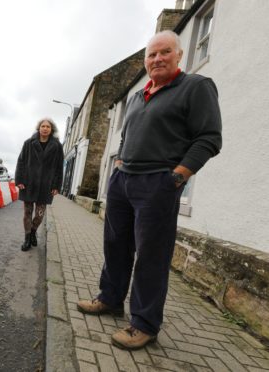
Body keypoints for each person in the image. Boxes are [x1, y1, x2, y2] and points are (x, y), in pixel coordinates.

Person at [76, 30, 222, 350]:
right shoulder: (136, 97)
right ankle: (110, 299)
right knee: (116, 245)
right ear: (145, 61)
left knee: (151, 257)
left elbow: (209, 138)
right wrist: (118, 167)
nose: (157, 59)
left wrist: (177, 177)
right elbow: (127, 137)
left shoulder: (196, 87)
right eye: (152, 54)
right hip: (122, 181)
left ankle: (144, 324)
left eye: (164, 52)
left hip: (158, 183)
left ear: (179, 55)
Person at [15, 118, 64, 251]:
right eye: (43, 126)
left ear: (51, 129)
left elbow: (59, 167)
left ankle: (33, 231)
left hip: (46, 186)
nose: (45, 128)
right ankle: (27, 238)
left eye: (48, 126)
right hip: (28, 183)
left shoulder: (57, 146)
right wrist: (19, 180)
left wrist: (56, 186)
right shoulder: (28, 143)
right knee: (27, 212)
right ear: (39, 128)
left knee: (39, 214)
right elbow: (21, 162)